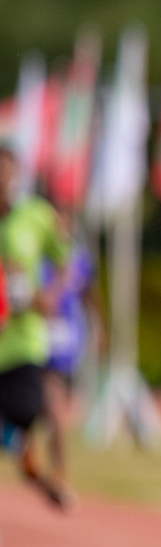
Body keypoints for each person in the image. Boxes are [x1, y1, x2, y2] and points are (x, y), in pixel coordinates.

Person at [0, 145, 72, 510]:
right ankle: (23, 450)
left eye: (6, 170)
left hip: (22, 340)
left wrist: (51, 295)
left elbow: (65, 260)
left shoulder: (35, 216)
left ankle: (29, 450)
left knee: (28, 411)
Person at [39, 210, 105, 495]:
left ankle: (60, 469)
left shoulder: (78, 257)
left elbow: (90, 292)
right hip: (30, 333)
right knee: (37, 401)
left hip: (63, 336)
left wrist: (101, 326)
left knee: (52, 399)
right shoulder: (35, 252)